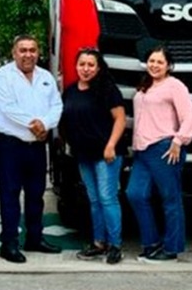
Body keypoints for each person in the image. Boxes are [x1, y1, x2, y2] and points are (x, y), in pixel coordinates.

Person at [0, 35, 63, 263]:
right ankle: (9, 243)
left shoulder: (46, 77)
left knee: (36, 194)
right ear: (14, 53)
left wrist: (46, 124)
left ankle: (35, 238)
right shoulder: (3, 76)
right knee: (10, 195)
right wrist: (36, 125)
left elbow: (56, 105)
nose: (28, 54)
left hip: (37, 146)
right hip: (11, 145)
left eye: (32, 50)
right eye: (23, 50)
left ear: (38, 53)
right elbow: (7, 107)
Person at [125, 45, 192, 263]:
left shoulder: (175, 86)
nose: (155, 65)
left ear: (168, 66)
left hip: (164, 148)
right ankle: (151, 242)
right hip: (142, 150)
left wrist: (178, 140)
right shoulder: (144, 86)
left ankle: (172, 248)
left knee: (170, 199)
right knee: (135, 194)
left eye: (160, 62)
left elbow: (190, 116)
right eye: (152, 61)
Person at [60, 48, 126, 265]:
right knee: (94, 199)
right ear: (76, 66)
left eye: (91, 65)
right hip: (83, 155)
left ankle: (115, 245)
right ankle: (99, 243)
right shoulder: (70, 92)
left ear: (98, 68)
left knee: (108, 198)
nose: (86, 69)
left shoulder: (108, 90)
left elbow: (120, 119)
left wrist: (111, 145)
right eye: (82, 64)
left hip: (106, 155)